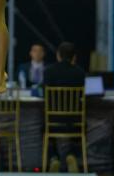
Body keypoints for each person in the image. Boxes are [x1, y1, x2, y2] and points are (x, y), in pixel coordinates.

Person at [43, 42, 85, 173]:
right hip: (74, 121)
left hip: (53, 120)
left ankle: (53, 157)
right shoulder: (80, 73)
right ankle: (71, 155)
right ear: (74, 57)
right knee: (82, 130)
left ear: (58, 56)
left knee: (43, 127)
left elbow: (44, 94)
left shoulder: (48, 72)